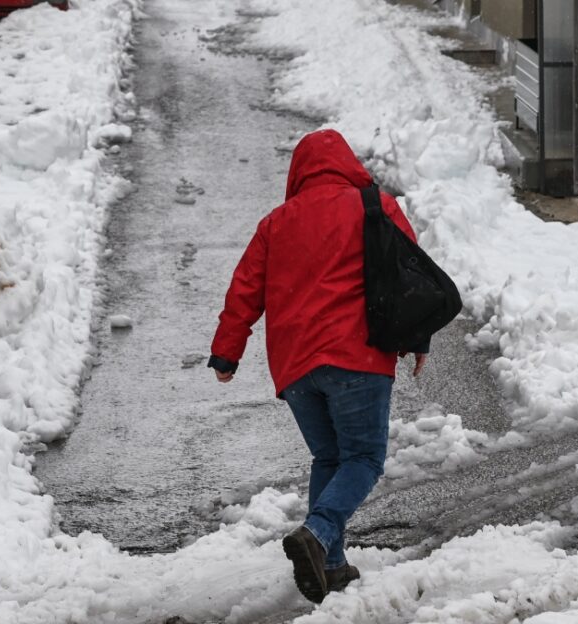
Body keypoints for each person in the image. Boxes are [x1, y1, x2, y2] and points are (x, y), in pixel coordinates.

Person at [208, 129, 428, 603]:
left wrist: (227, 352)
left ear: (299, 173)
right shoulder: (375, 206)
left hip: (297, 370)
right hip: (358, 358)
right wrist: (418, 338)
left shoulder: (276, 222)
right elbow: (410, 276)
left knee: (329, 458)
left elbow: (244, 289)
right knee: (364, 459)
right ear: (348, 164)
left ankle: (329, 563)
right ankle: (317, 531)